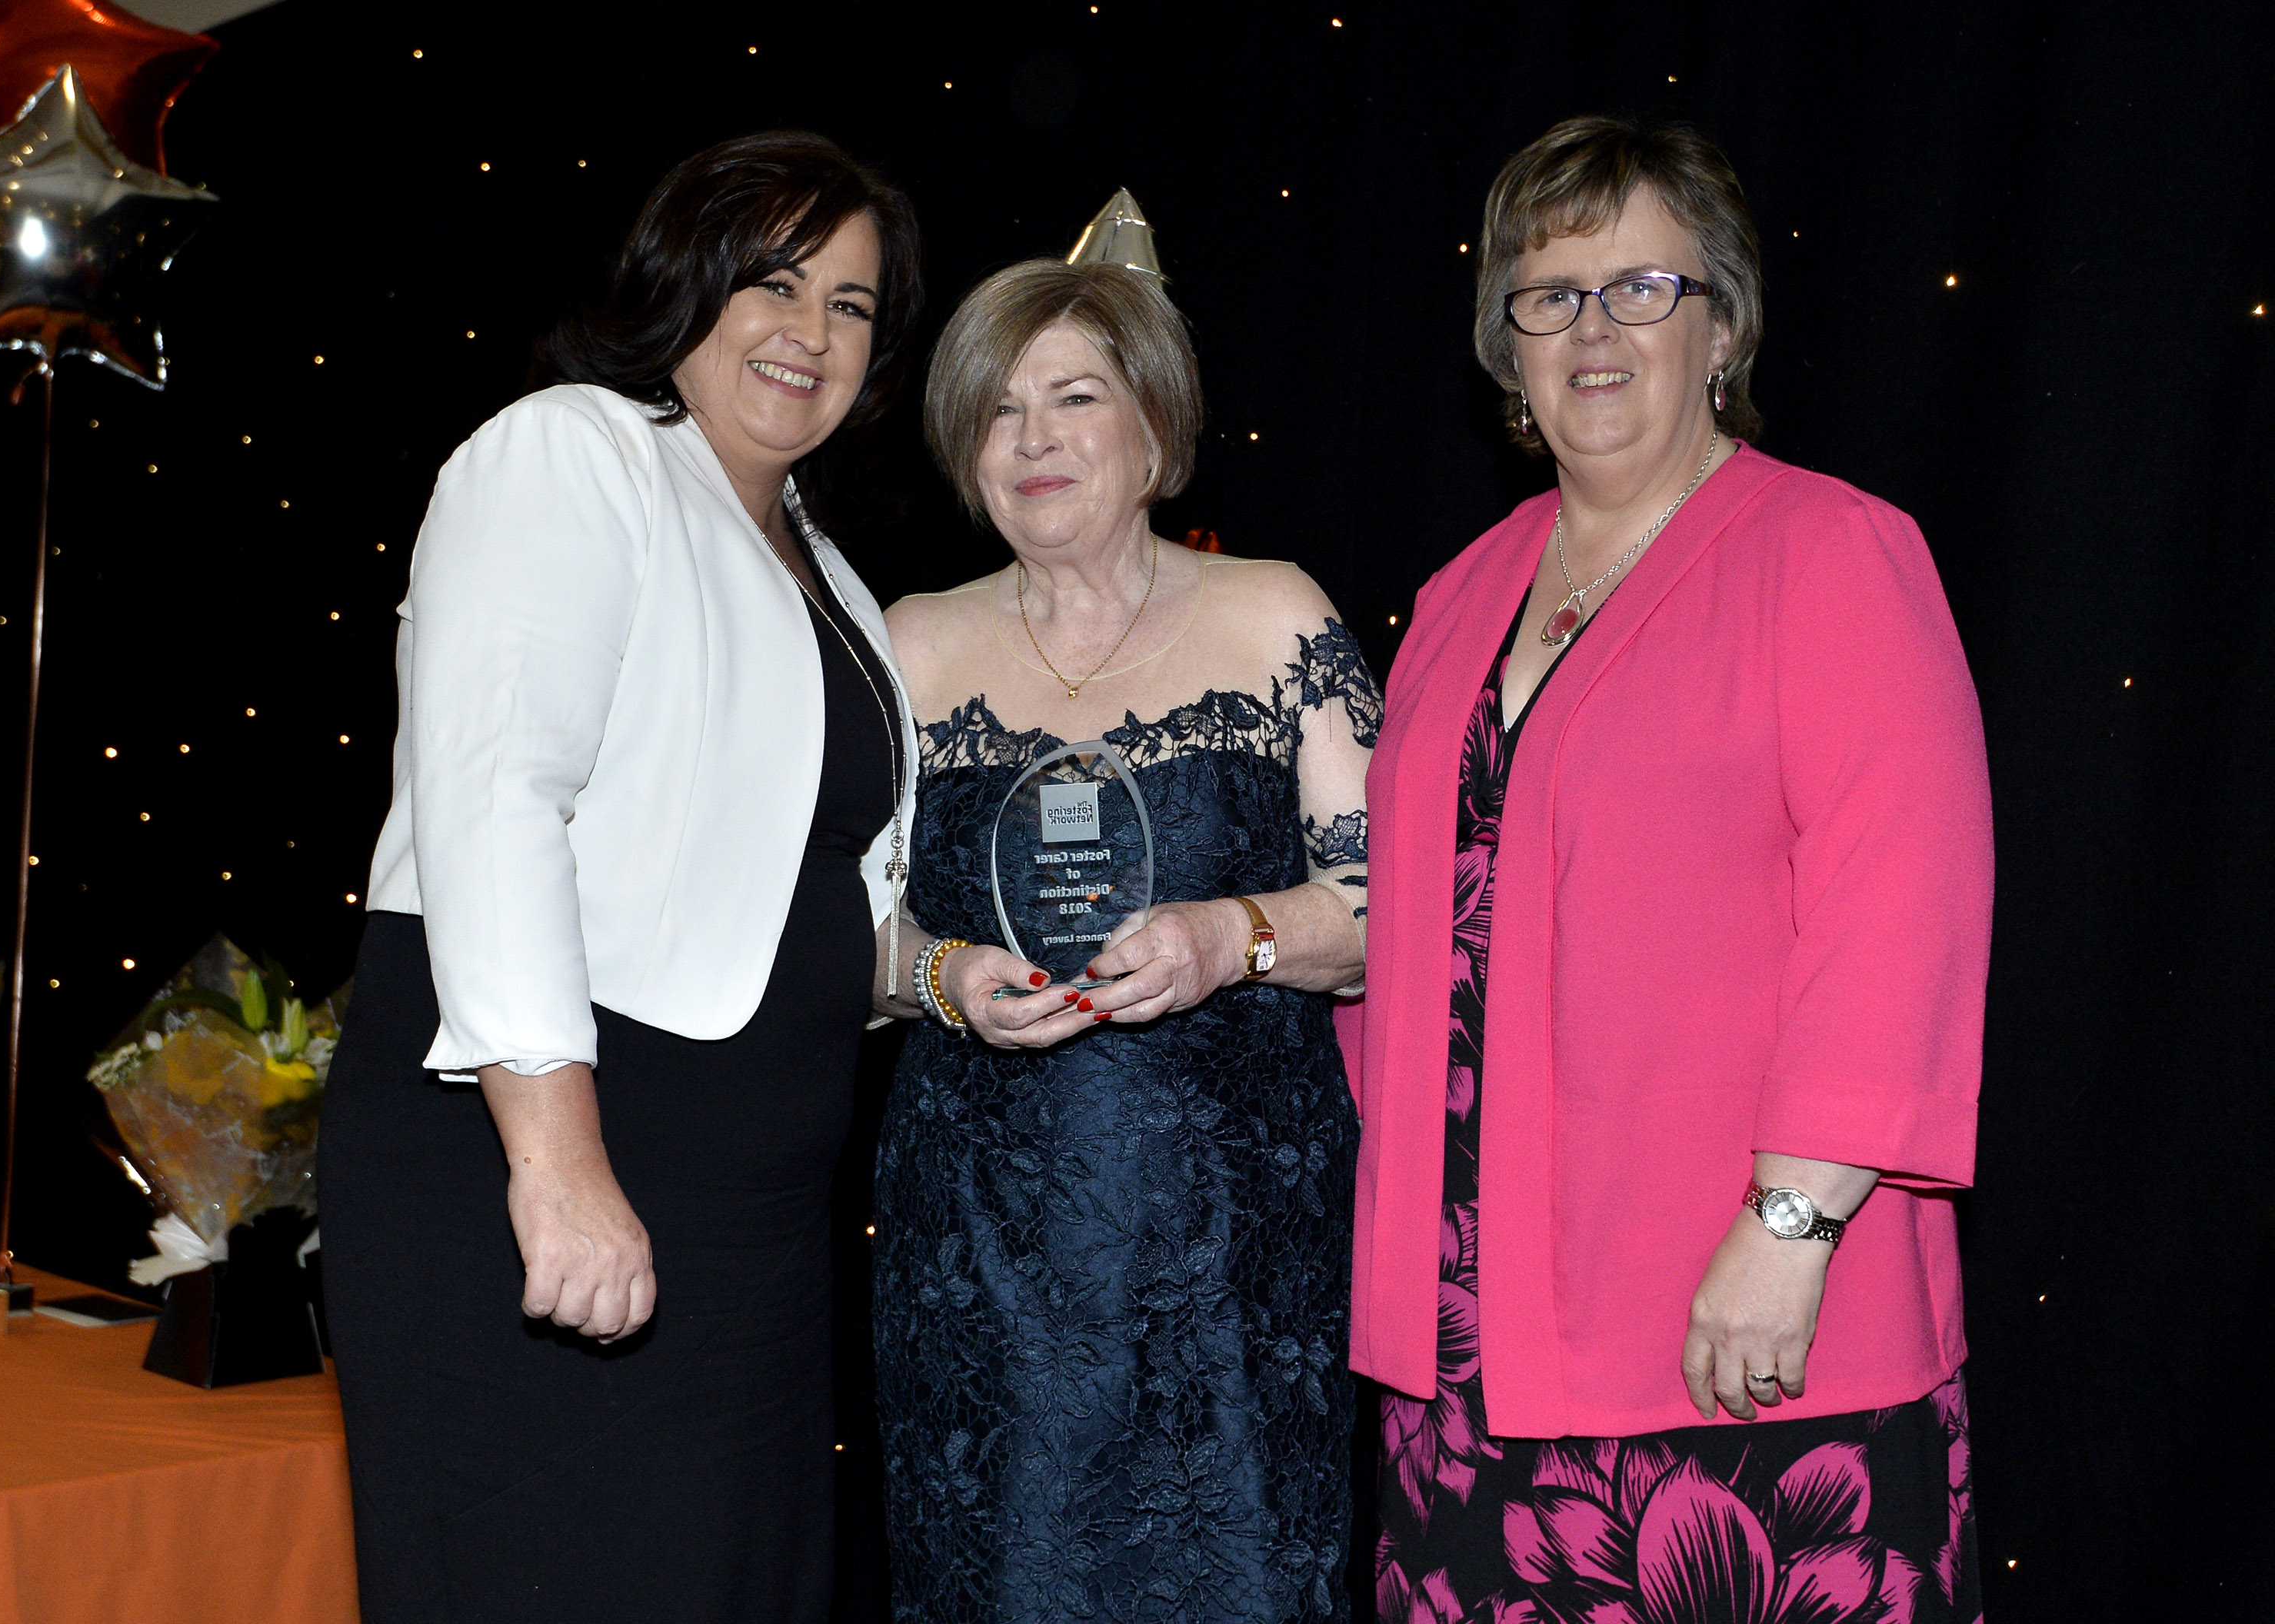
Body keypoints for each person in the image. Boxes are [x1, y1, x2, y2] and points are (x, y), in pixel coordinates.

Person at [1347, 117, 1992, 1624]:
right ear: (1504, 345)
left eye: (1640, 286)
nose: (1591, 330)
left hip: (1747, 1333)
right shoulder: (1459, 596)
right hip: (1472, 1350)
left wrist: (1789, 1231)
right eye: (1546, 295)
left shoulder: (1832, 554)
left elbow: (1904, 910)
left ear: (1723, 323)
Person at [318, 131, 924, 1623]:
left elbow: (789, 881)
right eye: (773, 282)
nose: (810, 333)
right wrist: (561, 1166)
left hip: (748, 1217)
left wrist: (952, 977)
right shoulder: (574, 450)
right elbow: (495, 792)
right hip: (542, 1161)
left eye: (851, 306)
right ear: (683, 281)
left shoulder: (824, 566)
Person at [872, 258, 1377, 1623]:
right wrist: (941, 975)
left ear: (1154, 429)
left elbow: (1395, 910)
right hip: (979, 1261)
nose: (1030, 439)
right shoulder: (907, 647)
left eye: (1073, 397)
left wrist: (1235, 935)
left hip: (1235, 1257)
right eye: (997, 410)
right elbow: (827, 935)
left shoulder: (1279, 617)